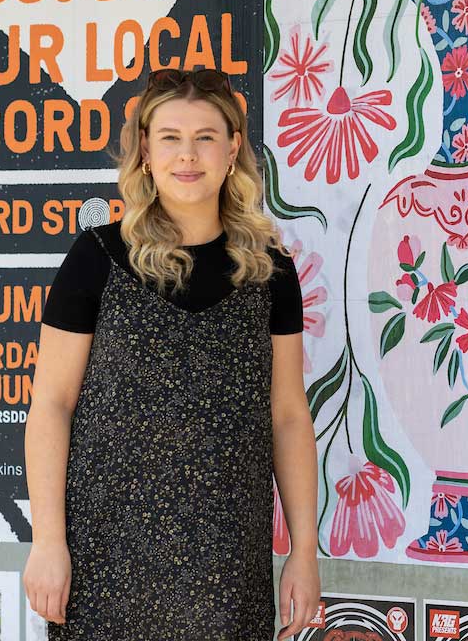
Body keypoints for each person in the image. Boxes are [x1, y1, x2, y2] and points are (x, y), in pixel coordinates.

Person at [23, 68, 320, 639]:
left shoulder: (270, 270)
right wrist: (48, 541)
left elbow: (287, 416)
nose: (188, 155)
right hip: (104, 557)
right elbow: (52, 405)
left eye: (205, 137)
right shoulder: (96, 257)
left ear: (232, 149)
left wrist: (303, 552)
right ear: (145, 150)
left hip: (226, 562)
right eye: (170, 137)